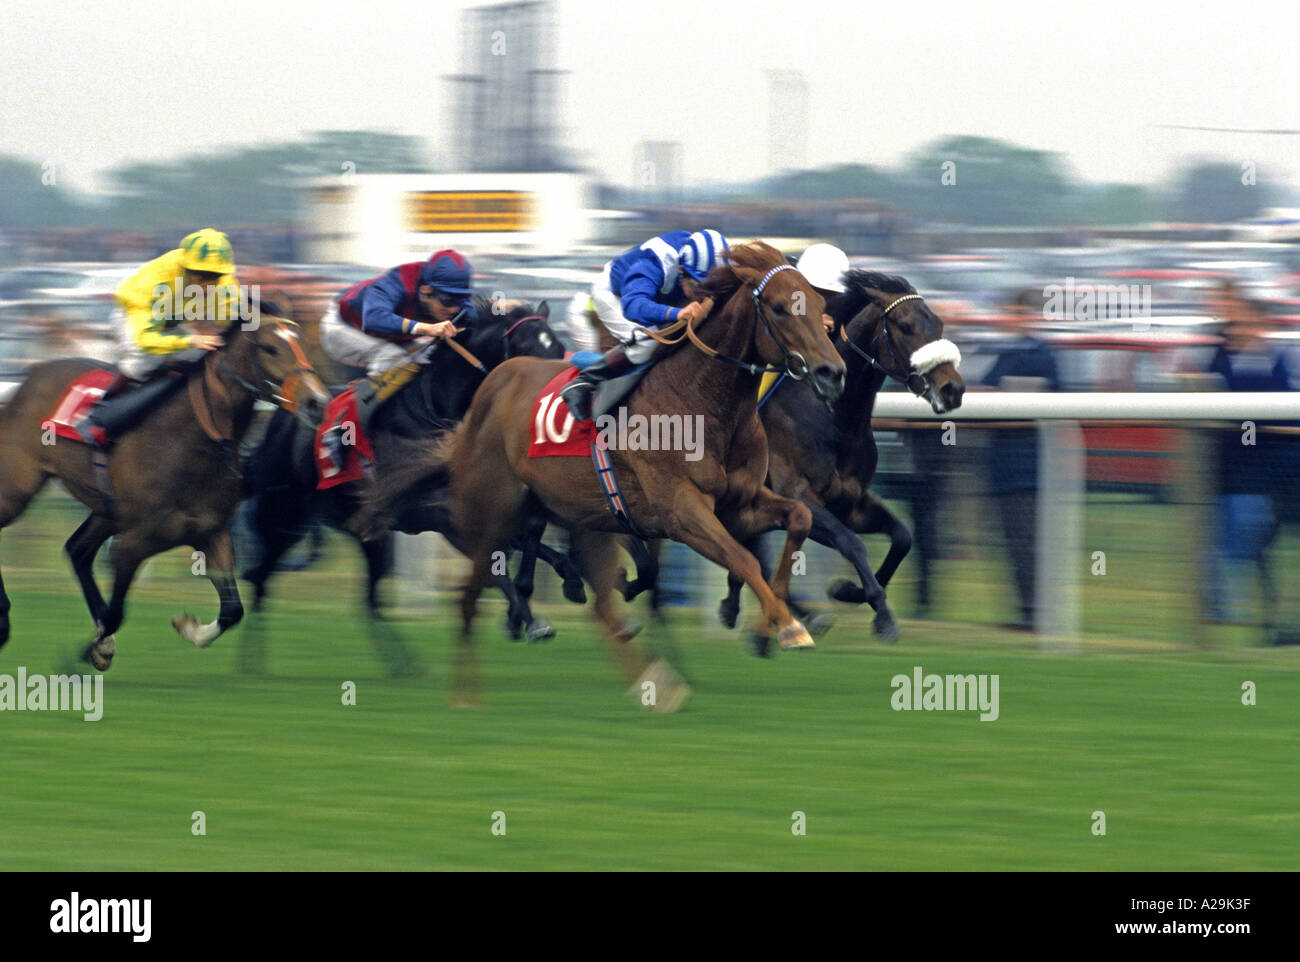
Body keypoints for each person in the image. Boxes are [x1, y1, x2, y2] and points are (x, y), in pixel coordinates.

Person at [317, 249, 475, 469]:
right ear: (426, 290)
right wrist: (427, 328)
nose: (454, 308)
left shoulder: (448, 298)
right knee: (392, 357)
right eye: (448, 300)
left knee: (430, 357)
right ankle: (342, 431)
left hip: (391, 335)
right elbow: (373, 319)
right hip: (342, 329)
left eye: (461, 299)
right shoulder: (396, 283)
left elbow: (474, 318)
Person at [81, 227, 238, 443]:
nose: (207, 284)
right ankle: (99, 413)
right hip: (136, 315)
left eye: (214, 276)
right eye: (200, 275)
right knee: (144, 360)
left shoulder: (225, 280)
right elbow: (146, 341)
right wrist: (191, 339)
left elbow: (230, 315)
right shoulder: (155, 281)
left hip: (174, 316)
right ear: (185, 266)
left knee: (202, 355)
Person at [560, 229, 729, 422]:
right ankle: (584, 382)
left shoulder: (704, 257)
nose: (700, 294)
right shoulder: (654, 263)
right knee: (648, 342)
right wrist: (676, 313)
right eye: (697, 286)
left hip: (654, 293)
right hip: (615, 295)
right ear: (682, 270)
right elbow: (633, 306)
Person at [979, 288, 1060, 630]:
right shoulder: (1007, 353)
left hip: (1030, 469)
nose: (1007, 319)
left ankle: (1036, 614)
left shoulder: (1041, 355)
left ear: (1028, 316)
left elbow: (1054, 402)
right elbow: (982, 395)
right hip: (1006, 467)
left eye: (1013, 312)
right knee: (1016, 544)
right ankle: (1028, 612)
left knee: (1029, 544)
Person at [793, 242, 851, 333]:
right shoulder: (793, 296)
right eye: (819, 292)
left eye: (830, 295)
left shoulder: (845, 307)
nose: (823, 300)